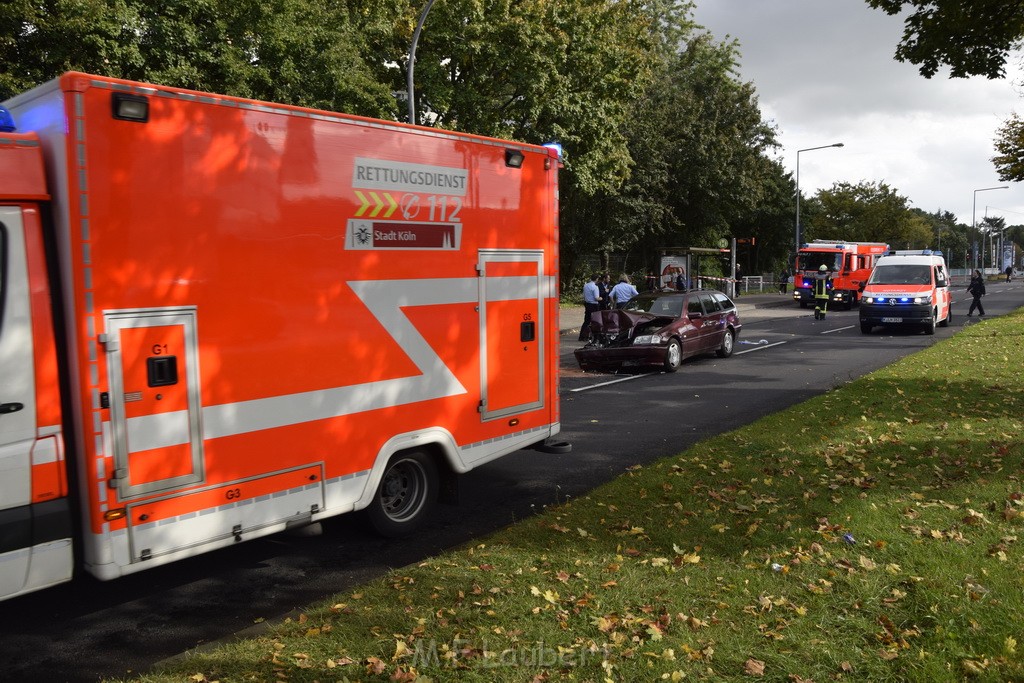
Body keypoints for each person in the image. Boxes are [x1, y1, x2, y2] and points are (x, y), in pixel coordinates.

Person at [579, 273, 602, 341]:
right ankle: (594, 337)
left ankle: (582, 336)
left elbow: (584, 295)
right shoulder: (595, 287)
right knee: (595, 321)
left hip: (587, 304)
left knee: (586, 321)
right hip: (594, 305)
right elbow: (596, 298)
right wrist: (601, 298)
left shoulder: (586, 285)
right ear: (597, 279)